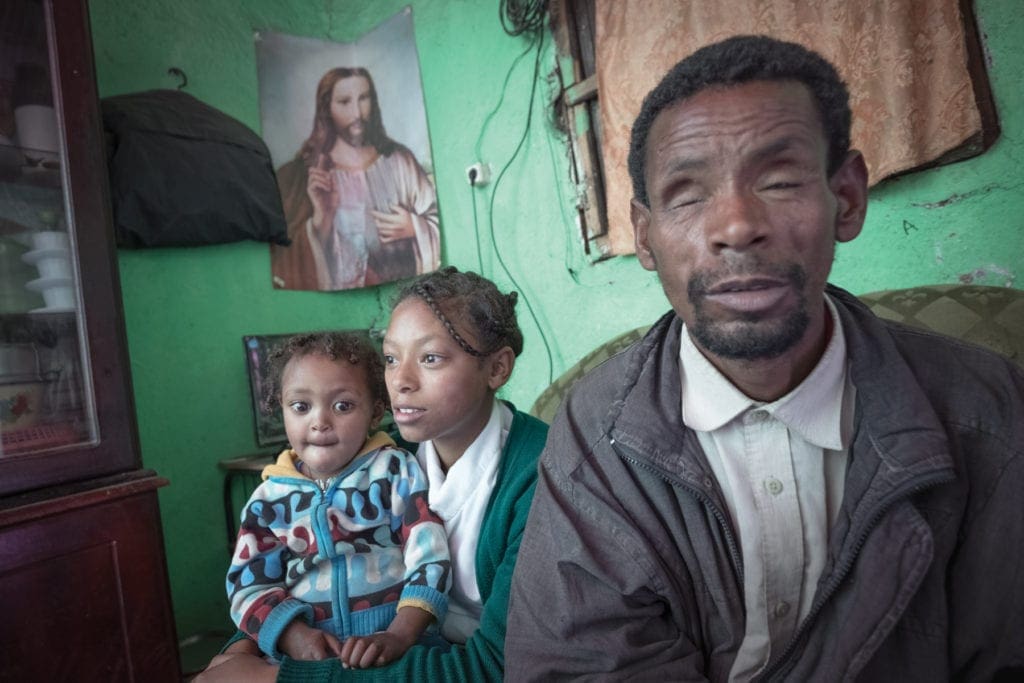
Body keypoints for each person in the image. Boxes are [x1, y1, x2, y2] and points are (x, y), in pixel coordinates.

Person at [505, 35, 1024, 681]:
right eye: (688, 195)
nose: (736, 224)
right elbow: (579, 665)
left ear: (848, 197)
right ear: (644, 236)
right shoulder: (594, 431)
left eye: (779, 180)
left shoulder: (989, 408)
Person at [199, 267, 549, 681]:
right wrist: (246, 646)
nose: (399, 381)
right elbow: (286, 570)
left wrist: (274, 678)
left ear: (497, 369)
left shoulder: (541, 477)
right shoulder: (384, 455)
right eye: (390, 358)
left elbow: (494, 670)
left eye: (431, 358)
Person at [226, 331, 450, 668]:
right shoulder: (267, 502)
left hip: (398, 647)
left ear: (375, 413)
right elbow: (248, 585)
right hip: (307, 656)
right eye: (301, 406)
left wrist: (400, 635)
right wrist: (292, 635)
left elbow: (430, 555)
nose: (320, 422)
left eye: (342, 406)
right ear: (282, 410)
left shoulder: (394, 472)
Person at [271, 67, 440, 291]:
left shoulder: (399, 160)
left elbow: (436, 220)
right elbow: (284, 261)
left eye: (364, 98)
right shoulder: (302, 176)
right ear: (326, 109)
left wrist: (414, 227)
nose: (357, 114)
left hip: (402, 291)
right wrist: (321, 219)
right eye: (344, 102)